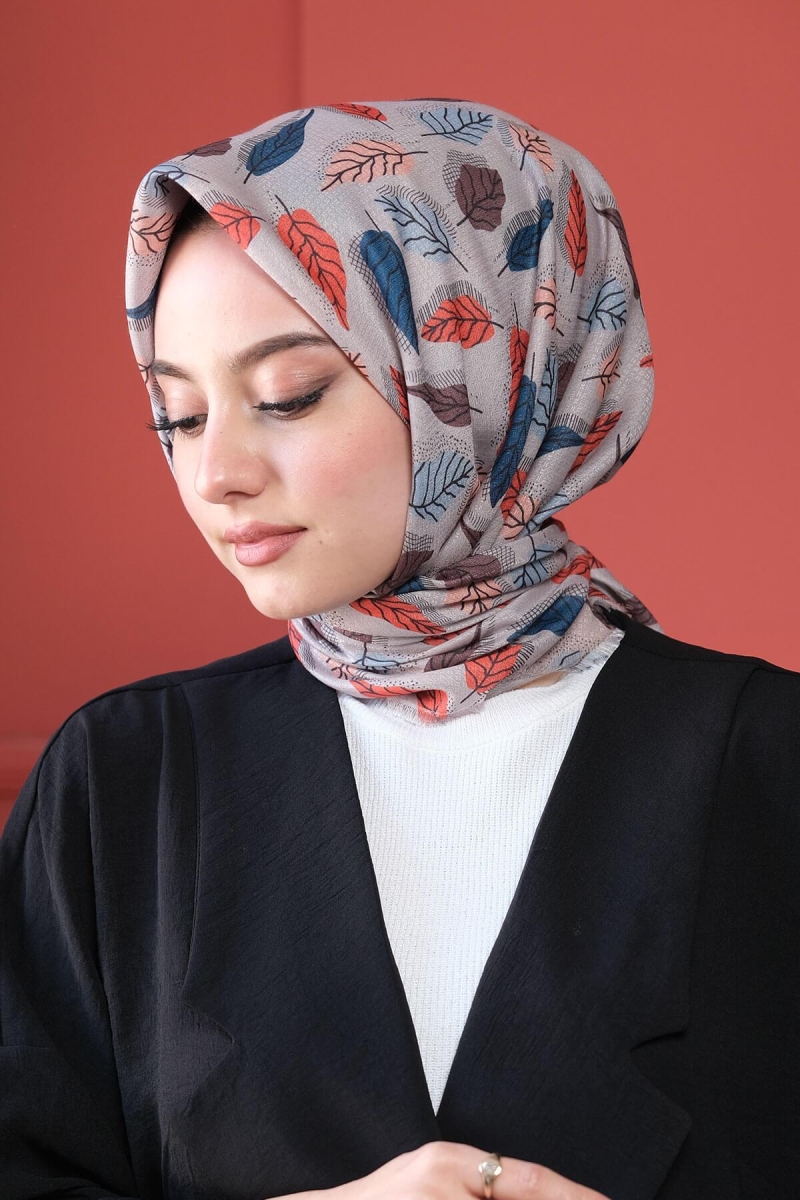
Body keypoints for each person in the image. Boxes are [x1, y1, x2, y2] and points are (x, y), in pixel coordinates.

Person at [0, 98, 797, 1200]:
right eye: (175, 416)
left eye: (287, 396)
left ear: (493, 374)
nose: (214, 473)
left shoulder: (771, 763)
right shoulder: (125, 780)